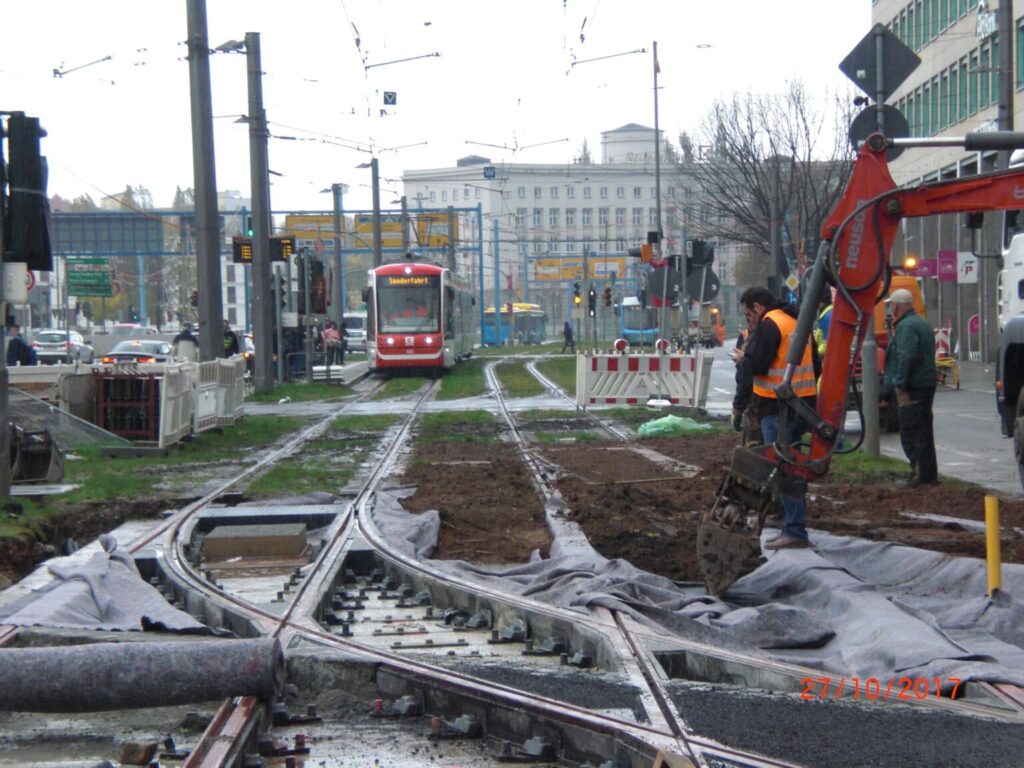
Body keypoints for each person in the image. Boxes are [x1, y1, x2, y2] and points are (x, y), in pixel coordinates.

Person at [733, 286, 819, 550]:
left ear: (758, 307)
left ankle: (794, 529)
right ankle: (787, 519)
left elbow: (756, 365)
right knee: (790, 464)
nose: (750, 321)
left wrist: (742, 360)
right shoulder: (795, 322)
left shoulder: (770, 325)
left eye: (749, 315)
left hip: (778, 407)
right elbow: (817, 363)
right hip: (802, 405)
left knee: (783, 468)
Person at [880, 288, 939, 486]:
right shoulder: (922, 323)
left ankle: (919, 475)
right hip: (926, 383)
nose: (890, 310)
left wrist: (899, 383)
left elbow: (906, 357)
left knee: (911, 431)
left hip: (913, 386)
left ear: (897, 306)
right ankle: (929, 475)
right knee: (924, 429)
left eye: (891, 306)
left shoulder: (905, 327)